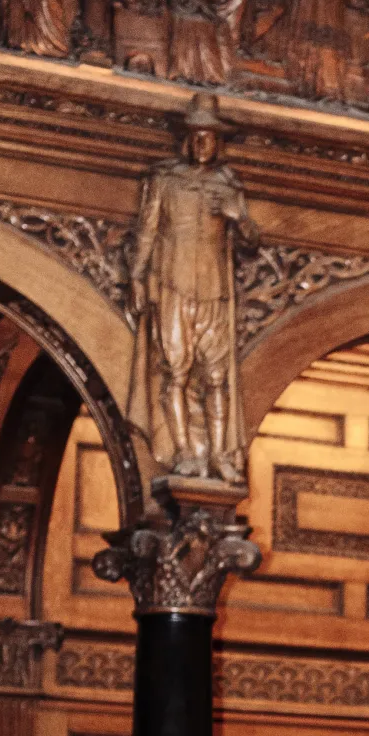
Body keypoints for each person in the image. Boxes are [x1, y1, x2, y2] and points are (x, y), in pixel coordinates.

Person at [126, 94, 258, 485]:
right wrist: (136, 275)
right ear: (187, 139)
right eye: (198, 136)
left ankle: (219, 455)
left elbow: (250, 239)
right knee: (176, 372)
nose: (204, 144)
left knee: (216, 376)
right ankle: (183, 452)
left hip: (214, 290)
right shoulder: (165, 180)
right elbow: (147, 229)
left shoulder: (228, 184)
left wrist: (240, 217)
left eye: (211, 137)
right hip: (174, 287)